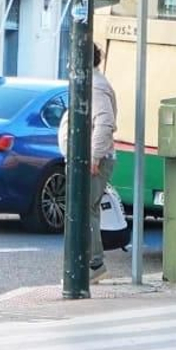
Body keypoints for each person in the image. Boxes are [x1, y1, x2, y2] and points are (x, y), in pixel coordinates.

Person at [56, 43, 118, 282]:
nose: (69, 64)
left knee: (84, 210)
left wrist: (94, 156)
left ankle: (92, 264)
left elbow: (105, 122)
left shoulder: (96, 86)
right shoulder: (91, 83)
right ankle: (89, 263)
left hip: (92, 161)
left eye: (71, 59)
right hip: (86, 159)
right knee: (85, 210)